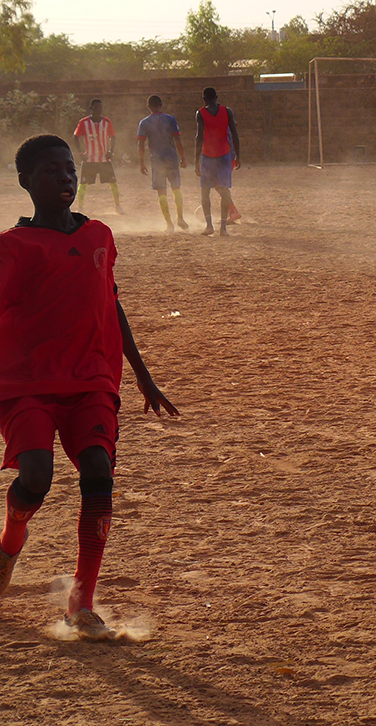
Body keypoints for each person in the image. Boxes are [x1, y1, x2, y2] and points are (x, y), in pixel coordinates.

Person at [0, 134, 178, 640]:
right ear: (26, 182)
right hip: (27, 383)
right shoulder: (13, 247)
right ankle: (10, 542)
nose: (65, 177)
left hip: (92, 379)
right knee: (35, 477)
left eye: (70, 168)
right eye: (52, 170)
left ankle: (81, 601)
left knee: (98, 470)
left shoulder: (99, 235)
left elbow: (110, 302)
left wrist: (142, 374)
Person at [136, 96, 190, 232]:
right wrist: (183, 157)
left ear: (148, 107)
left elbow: (141, 144)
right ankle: (180, 218)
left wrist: (142, 163)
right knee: (176, 188)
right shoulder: (170, 119)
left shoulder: (144, 123)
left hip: (157, 160)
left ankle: (169, 224)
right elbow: (177, 139)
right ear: (161, 104)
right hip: (171, 157)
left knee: (161, 192)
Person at [194, 87, 241, 236]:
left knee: (205, 191)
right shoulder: (227, 111)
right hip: (224, 155)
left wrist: (196, 161)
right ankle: (223, 228)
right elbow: (234, 134)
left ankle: (209, 226)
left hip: (207, 156)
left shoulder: (200, 113)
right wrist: (238, 155)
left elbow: (199, 137)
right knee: (224, 190)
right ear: (217, 97)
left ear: (203, 99)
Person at [73, 99, 121, 215]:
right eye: (96, 108)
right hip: (89, 160)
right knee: (83, 184)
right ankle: (80, 208)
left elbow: (113, 136)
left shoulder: (106, 122)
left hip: (104, 159)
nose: (99, 111)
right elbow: (75, 137)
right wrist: (80, 154)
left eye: (100, 108)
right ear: (91, 109)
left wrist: (111, 151)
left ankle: (118, 206)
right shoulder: (84, 123)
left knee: (113, 183)